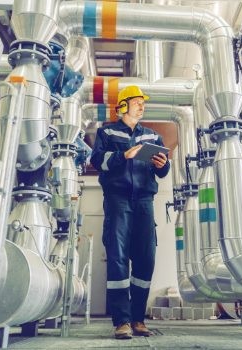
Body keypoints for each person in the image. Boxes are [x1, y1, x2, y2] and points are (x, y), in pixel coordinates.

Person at [91, 86, 170, 339]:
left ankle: (138, 319)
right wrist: (122, 155)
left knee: (146, 258)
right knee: (118, 258)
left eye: (142, 103)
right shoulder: (106, 132)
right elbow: (97, 161)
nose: (141, 106)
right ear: (123, 106)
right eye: (136, 102)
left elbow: (160, 171)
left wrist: (164, 165)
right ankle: (122, 321)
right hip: (117, 199)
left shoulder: (152, 136)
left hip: (145, 200)